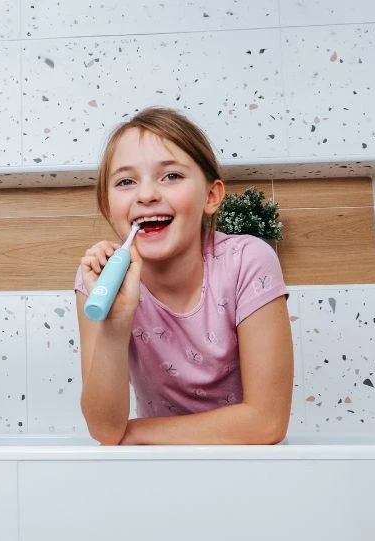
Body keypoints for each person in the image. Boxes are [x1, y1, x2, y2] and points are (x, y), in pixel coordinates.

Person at [76, 107, 293, 445]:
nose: (146, 195)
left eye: (171, 176)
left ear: (211, 196)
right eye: (126, 182)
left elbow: (267, 422)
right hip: (158, 465)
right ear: (108, 207)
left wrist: (135, 433)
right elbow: (104, 428)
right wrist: (115, 324)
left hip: (246, 461)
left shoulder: (247, 261)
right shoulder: (99, 278)